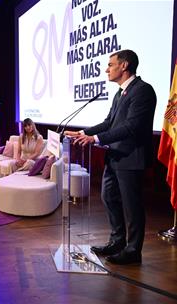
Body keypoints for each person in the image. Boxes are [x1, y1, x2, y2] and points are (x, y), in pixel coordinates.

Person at [64, 49, 157, 265]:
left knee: (132, 206)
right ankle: (117, 242)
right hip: (115, 156)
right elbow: (109, 123)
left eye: (110, 64)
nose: (106, 69)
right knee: (108, 197)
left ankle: (133, 251)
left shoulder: (142, 91)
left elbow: (132, 126)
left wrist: (96, 138)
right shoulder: (119, 94)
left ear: (124, 66)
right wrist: (84, 133)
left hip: (131, 158)